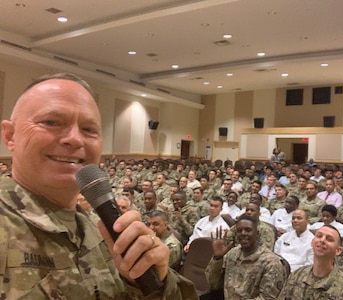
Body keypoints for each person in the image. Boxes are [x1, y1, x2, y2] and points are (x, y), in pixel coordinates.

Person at [0, 73, 196, 299]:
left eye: (89, 129)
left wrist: (154, 285)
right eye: (51, 122)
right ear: (10, 135)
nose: (75, 139)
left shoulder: (105, 230)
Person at [206, 216, 287, 299]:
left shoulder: (271, 263)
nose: (243, 233)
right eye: (239, 231)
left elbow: (267, 298)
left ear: (257, 234)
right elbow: (213, 285)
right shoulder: (232, 253)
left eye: (248, 230)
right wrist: (218, 259)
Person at [278, 225, 343, 299]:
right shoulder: (296, 275)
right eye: (319, 236)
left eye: (329, 239)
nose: (322, 240)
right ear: (312, 242)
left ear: (338, 250)